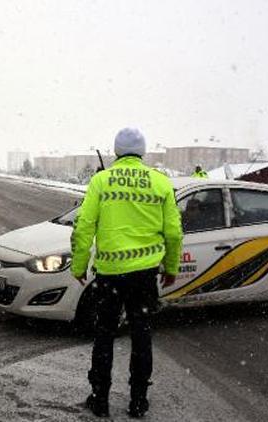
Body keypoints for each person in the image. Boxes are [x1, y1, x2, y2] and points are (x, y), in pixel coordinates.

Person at [70, 127, 183, 418]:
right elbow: (173, 232)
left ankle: (100, 399)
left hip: (109, 276)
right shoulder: (160, 182)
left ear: (116, 151)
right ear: (142, 151)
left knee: (105, 335)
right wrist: (171, 267)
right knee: (141, 336)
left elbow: (84, 227)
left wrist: (79, 265)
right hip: (145, 276)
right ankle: (138, 401)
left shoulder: (101, 181)